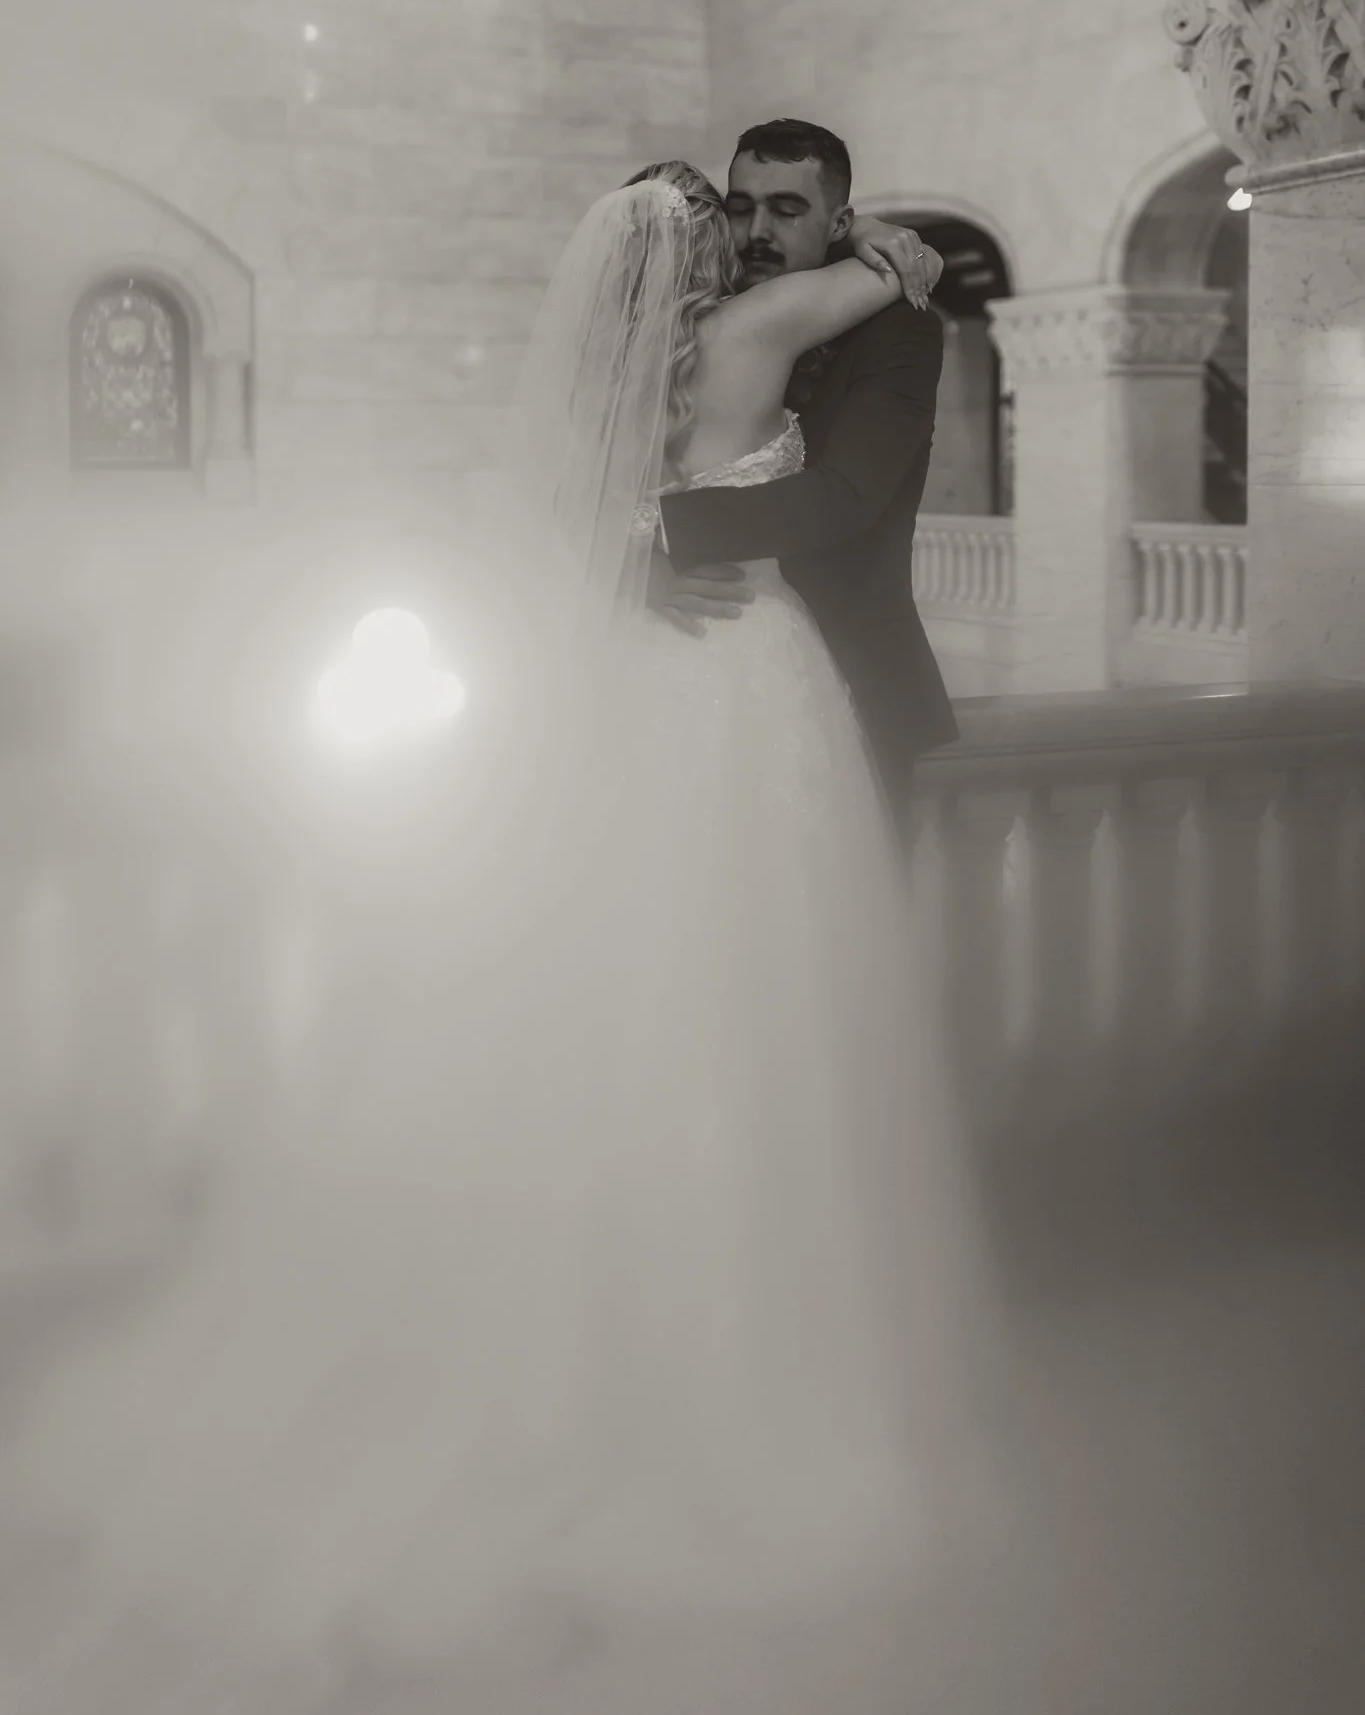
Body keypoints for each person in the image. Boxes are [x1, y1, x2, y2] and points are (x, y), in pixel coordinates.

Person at [0, 169, 1018, 1714]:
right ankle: (721, 1359)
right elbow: (923, 263)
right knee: (748, 997)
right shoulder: (756, 331)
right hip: (739, 680)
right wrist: (881, 246)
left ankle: (592, 1336)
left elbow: (563, 517)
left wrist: (638, 542)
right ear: (704, 250)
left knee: (632, 989)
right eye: (729, 216)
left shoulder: (620, 377)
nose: (752, 234)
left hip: (631, 678)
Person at [645, 119, 958, 841]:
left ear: (839, 223)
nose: (757, 230)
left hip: (853, 689)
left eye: (787, 210)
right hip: (689, 668)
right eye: (740, 205)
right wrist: (626, 568)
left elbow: (843, 498)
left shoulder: (897, 328)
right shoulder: (690, 319)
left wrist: (660, 534)